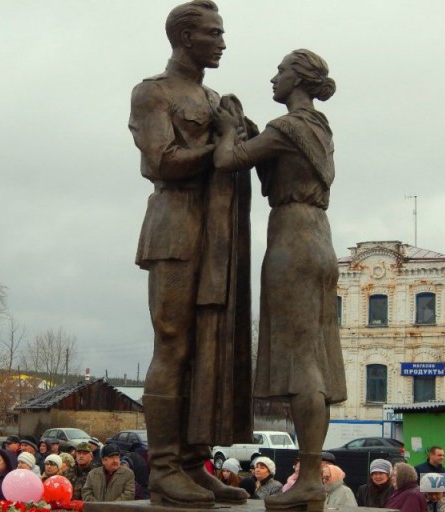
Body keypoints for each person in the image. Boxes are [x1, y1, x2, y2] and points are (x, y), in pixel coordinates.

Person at [128, 0, 254, 507]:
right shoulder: (152, 92)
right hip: (175, 227)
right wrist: (224, 145)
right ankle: (162, 470)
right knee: (174, 343)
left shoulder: (215, 96)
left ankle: (191, 463)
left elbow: (237, 155)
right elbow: (162, 160)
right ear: (185, 36)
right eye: (214, 33)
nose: (222, 43)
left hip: (218, 233)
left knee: (209, 348)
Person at [213, 47, 346, 512]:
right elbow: (270, 163)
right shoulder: (318, 129)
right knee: (316, 361)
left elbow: (228, 160)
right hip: (320, 240)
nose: (273, 77)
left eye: (281, 71)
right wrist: (252, 132)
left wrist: (231, 130)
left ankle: (309, 478)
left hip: (292, 241)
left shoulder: (287, 127)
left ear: (298, 79)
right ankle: (310, 474)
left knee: (303, 364)